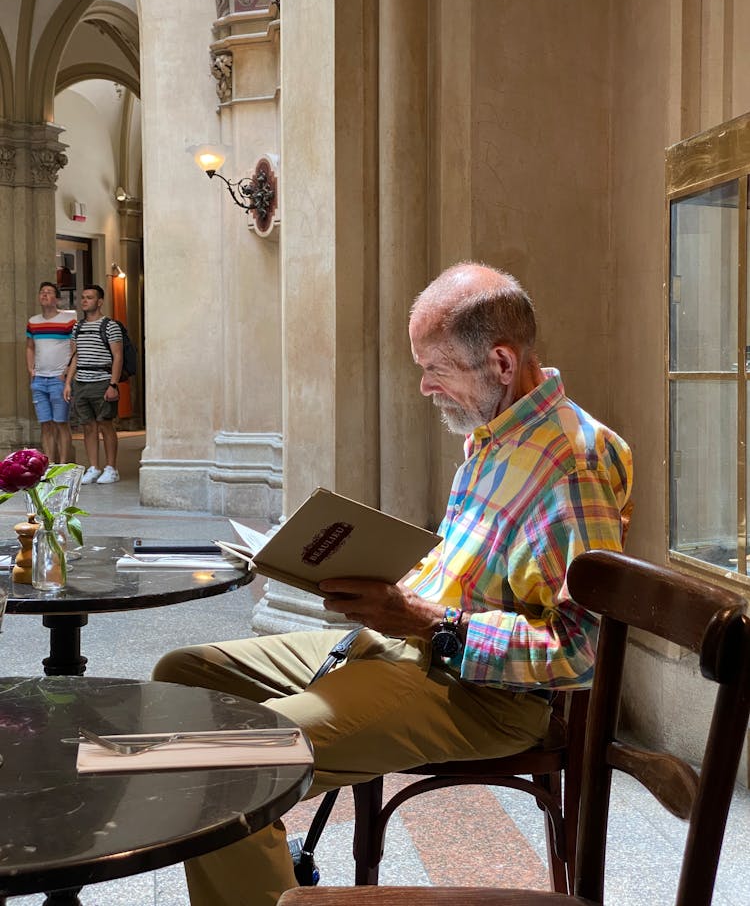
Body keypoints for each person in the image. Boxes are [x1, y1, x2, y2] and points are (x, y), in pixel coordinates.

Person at [153, 262, 634, 906]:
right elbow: (482, 574)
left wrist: (419, 620)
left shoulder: (572, 462)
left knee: (234, 762)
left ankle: (254, 862)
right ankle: (251, 858)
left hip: (483, 694)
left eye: (435, 368)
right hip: (405, 647)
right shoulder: (495, 437)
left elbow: (582, 653)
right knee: (181, 672)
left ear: (499, 361)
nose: (423, 385)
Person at [63, 284, 122, 485]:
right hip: (82, 382)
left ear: (100, 301)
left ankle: (111, 468)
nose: (84, 301)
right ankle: (94, 467)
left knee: (106, 425)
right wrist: (69, 382)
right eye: (83, 297)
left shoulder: (110, 325)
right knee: (88, 426)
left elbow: (118, 355)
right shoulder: (77, 327)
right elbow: (75, 356)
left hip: (102, 380)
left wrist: (113, 384)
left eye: (89, 297)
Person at [25, 281, 77, 463]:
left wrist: (68, 373)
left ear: (57, 298)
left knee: (61, 422)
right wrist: (31, 369)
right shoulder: (33, 322)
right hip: (39, 378)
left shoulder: (68, 320)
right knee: (45, 424)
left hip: (58, 378)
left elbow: (74, 349)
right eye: (42, 292)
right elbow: (30, 347)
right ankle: (49, 464)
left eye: (49, 292)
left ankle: (63, 463)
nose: (44, 295)